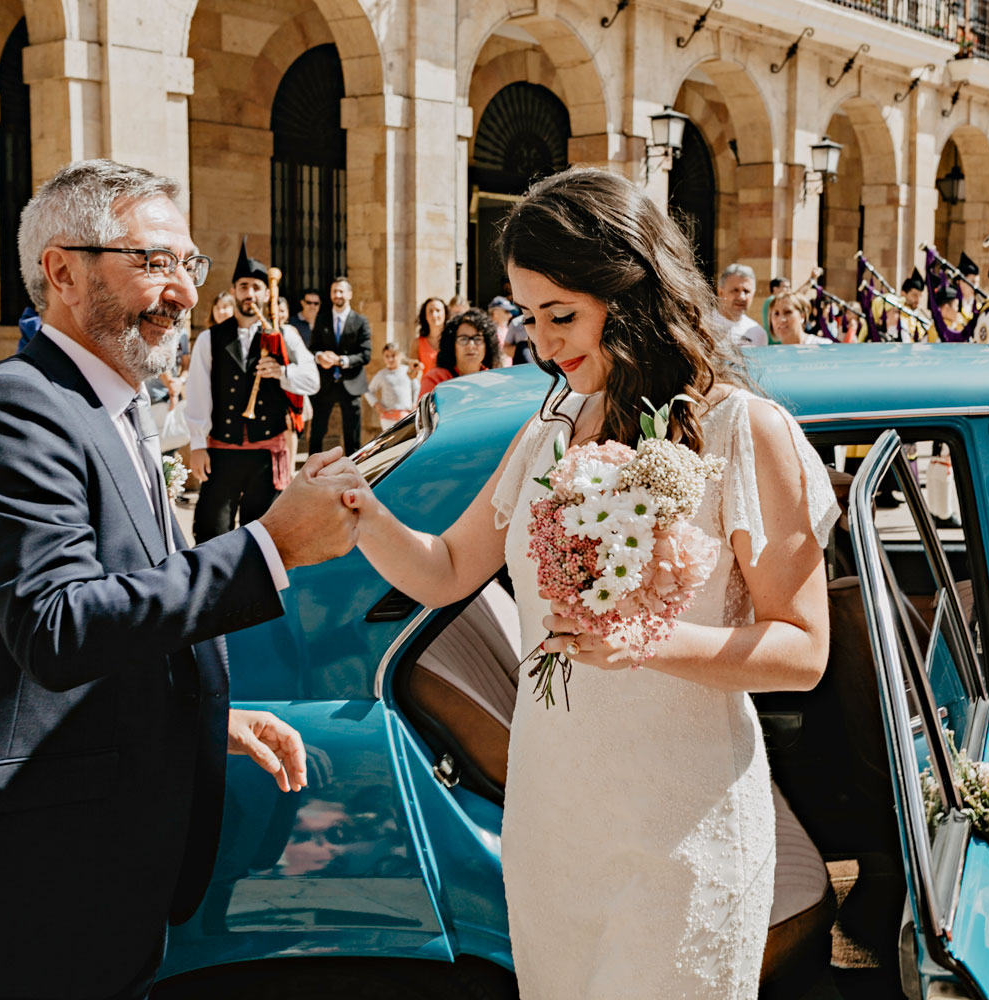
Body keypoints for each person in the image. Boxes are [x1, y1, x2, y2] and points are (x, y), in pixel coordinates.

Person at [325, 167, 836, 998]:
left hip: (683, 826)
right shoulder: (551, 426)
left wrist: (646, 640)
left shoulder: (744, 431)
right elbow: (448, 568)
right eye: (529, 319)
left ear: (631, 290)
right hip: (553, 816)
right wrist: (360, 510)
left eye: (562, 315)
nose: (545, 344)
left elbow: (803, 650)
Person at [0, 159, 366, 1000]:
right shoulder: (13, 411)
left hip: (95, 880)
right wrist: (268, 547)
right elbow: (57, 627)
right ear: (61, 270)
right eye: (151, 261)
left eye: (188, 264)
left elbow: (121, 601)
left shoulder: (112, 405)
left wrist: (196, 716)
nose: (180, 288)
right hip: (22, 899)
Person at [185, 239, 319, 541]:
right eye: (243, 286)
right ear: (233, 291)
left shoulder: (284, 335)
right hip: (222, 452)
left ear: (267, 293)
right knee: (211, 530)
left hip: (266, 454)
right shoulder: (210, 338)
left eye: (257, 287)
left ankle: (253, 588)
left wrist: (282, 372)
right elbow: (197, 394)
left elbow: (312, 380)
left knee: (261, 535)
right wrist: (197, 445)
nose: (250, 293)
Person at [308, 276, 372, 455]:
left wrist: (340, 360)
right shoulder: (321, 320)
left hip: (351, 385)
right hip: (325, 386)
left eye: (341, 291)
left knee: (352, 437)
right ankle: (312, 473)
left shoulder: (361, 321)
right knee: (317, 433)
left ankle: (354, 473)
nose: (338, 294)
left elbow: (365, 355)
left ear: (350, 294)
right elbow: (312, 350)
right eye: (334, 291)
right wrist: (320, 357)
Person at [419, 307, 501, 396]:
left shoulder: (493, 379)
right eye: (463, 339)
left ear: (487, 345)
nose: (471, 345)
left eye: (478, 339)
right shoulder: (435, 380)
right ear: (452, 345)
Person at [364, 342, 420, 431]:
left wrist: (414, 403)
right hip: (388, 417)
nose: (390, 359)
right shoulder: (382, 374)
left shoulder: (407, 371)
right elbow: (368, 391)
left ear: (400, 355)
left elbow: (416, 388)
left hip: (406, 415)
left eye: (393, 355)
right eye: (387, 356)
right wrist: (376, 404)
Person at [713, 263, 764, 352]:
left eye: (746, 291)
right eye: (735, 290)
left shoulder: (758, 333)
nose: (741, 297)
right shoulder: (703, 325)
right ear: (720, 292)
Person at [415, 296, 447, 371]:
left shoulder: (453, 341)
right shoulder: (417, 343)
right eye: (430, 311)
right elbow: (412, 372)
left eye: (438, 310)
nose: (434, 315)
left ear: (445, 314)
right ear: (425, 315)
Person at [487, 295, 520, 365]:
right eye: (506, 311)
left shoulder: (506, 329)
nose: (510, 315)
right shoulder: (487, 331)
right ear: (495, 313)